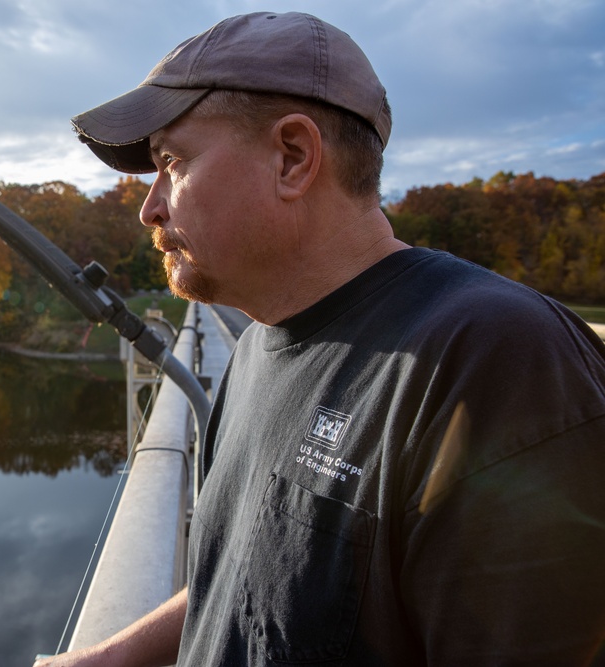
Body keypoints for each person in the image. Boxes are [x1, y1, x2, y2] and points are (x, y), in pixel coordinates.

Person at [36, 11, 605, 666]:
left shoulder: (494, 361)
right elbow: (249, 571)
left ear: (293, 157)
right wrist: (111, 657)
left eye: (171, 161)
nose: (150, 206)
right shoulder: (256, 349)